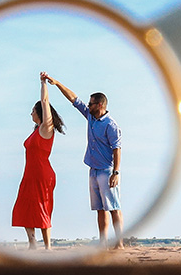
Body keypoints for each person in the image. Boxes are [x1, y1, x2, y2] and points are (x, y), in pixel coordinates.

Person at [41, 72, 123, 248]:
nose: (88, 105)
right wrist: (56, 83)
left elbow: (117, 149)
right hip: (93, 169)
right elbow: (74, 99)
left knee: (114, 206)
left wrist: (116, 172)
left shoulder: (111, 125)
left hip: (106, 170)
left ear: (99, 105)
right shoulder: (91, 117)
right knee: (100, 208)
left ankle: (120, 242)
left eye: (91, 103)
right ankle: (103, 243)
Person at [11, 73, 66, 249]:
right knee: (24, 205)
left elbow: (44, 102)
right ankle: (32, 243)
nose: (31, 113)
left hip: (42, 174)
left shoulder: (46, 128)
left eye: (33, 111)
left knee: (43, 207)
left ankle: (48, 246)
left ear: (40, 113)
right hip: (29, 174)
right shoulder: (36, 130)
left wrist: (43, 84)